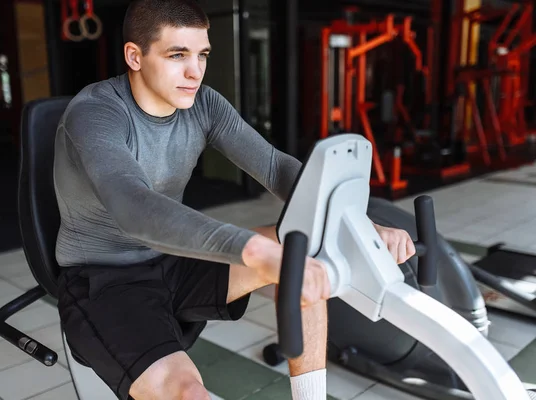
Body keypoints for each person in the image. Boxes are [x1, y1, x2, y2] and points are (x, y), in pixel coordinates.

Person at [53, 0, 416, 399]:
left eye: (202, 55)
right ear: (135, 56)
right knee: (188, 393)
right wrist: (252, 250)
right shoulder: (95, 113)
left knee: (301, 248)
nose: (195, 72)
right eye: (178, 55)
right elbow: (132, 206)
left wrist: (359, 225)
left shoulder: (203, 103)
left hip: (175, 257)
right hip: (103, 277)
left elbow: (275, 167)